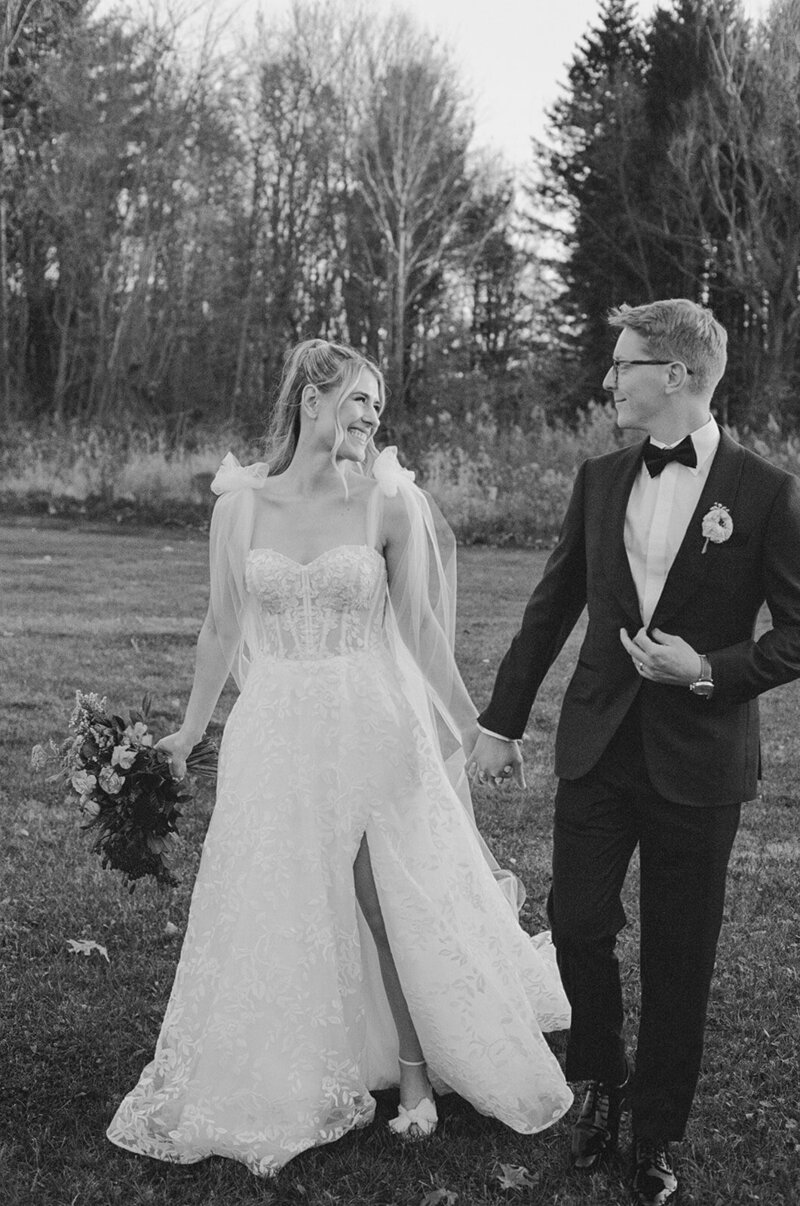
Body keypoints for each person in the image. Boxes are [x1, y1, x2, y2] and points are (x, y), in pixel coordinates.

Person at [107, 339, 573, 1178]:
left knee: (378, 889)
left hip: (369, 717)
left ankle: (416, 1076)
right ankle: (286, 1057)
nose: (371, 418)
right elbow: (220, 629)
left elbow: (422, 629)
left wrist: (473, 726)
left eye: (379, 407)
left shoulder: (387, 503)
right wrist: (188, 730)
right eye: (361, 400)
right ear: (313, 398)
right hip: (277, 725)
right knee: (280, 890)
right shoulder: (240, 506)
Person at [469, 299, 800, 1206]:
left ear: (678, 377)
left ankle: (655, 1133)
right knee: (575, 923)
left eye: (623, 366)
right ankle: (604, 1080)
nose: (609, 381)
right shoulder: (601, 476)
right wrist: (501, 723)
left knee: (679, 955)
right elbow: (552, 605)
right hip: (600, 741)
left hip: (700, 761)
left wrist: (707, 668)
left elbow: (798, 632)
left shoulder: (764, 489)